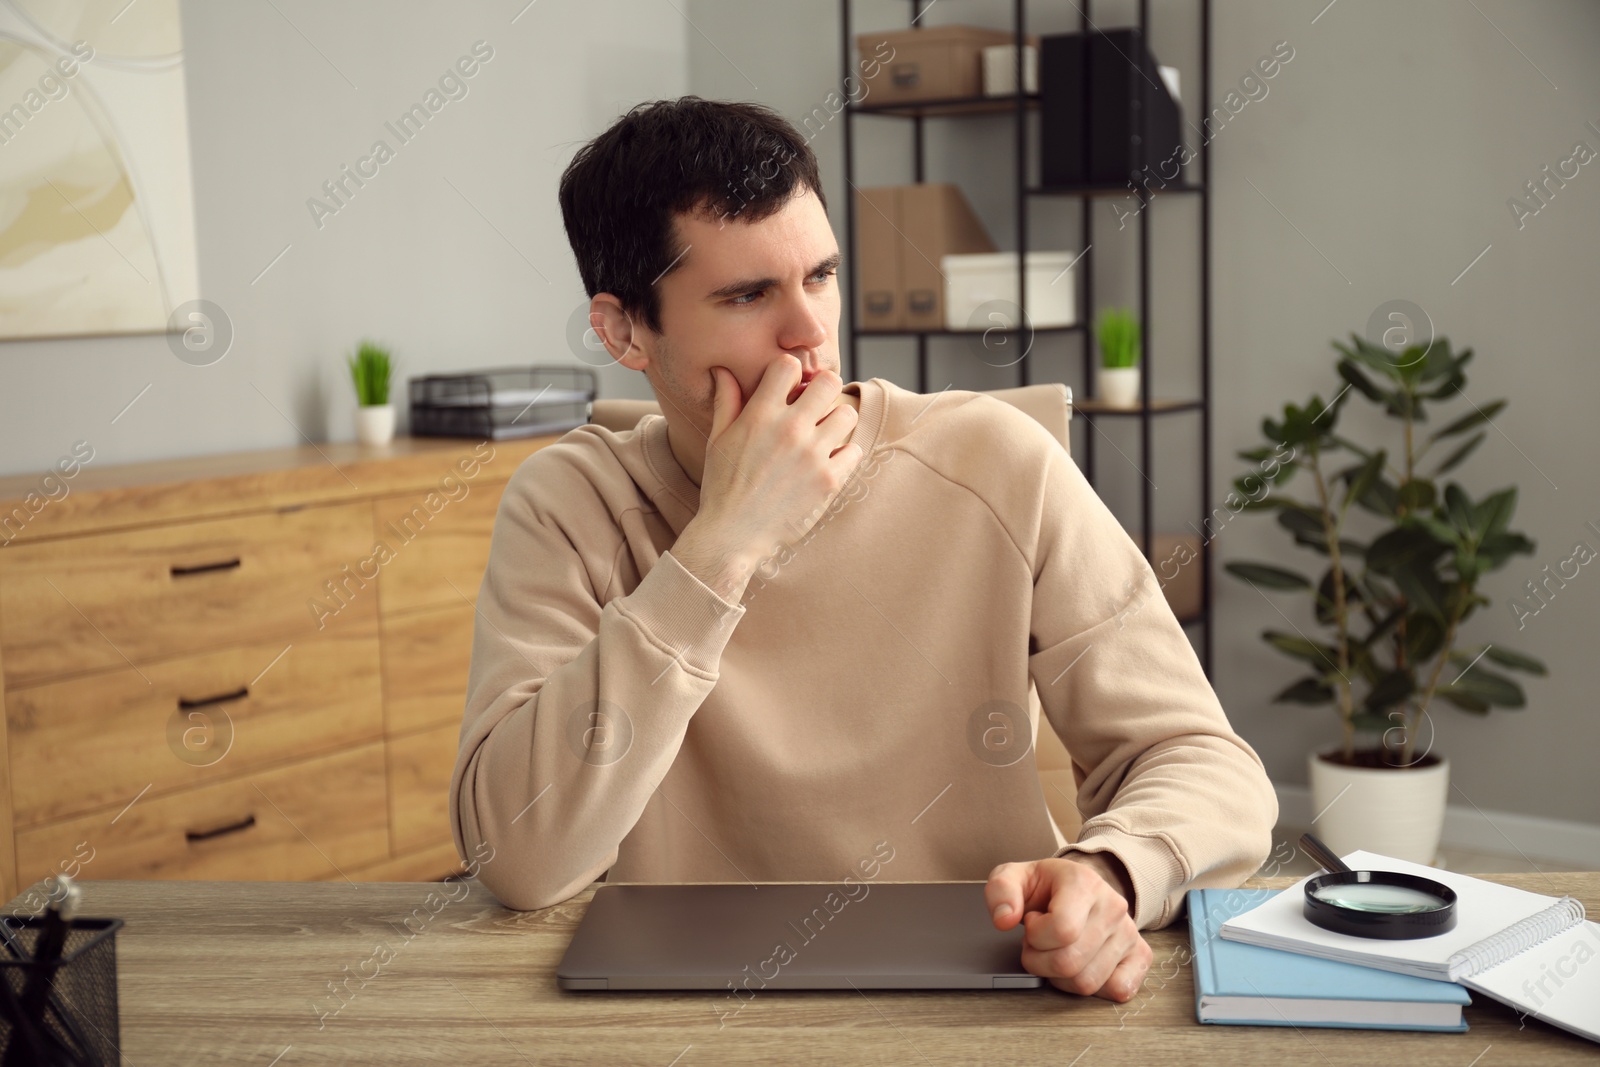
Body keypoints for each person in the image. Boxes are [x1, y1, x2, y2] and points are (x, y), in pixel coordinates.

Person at [449, 96, 1277, 1004]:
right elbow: (519, 858)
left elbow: (1205, 762)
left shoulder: (993, 462)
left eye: (821, 276)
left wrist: (1113, 872)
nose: (809, 330)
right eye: (748, 294)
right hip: (677, 1009)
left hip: (976, 997)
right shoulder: (569, 504)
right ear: (623, 331)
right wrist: (723, 544)